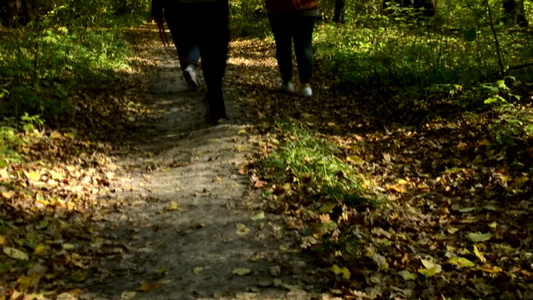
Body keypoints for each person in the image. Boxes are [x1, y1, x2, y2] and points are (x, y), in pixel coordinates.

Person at [152, 0, 229, 124]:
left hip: (181, 8)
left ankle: (214, 100)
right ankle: (216, 102)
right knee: (215, 51)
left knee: (193, 47)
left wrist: (156, 10)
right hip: (214, 6)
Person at [265, 0, 319, 97]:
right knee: (304, 46)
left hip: (278, 7)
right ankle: (305, 85)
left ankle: (286, 82)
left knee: (283, 45)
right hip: (306, 7)